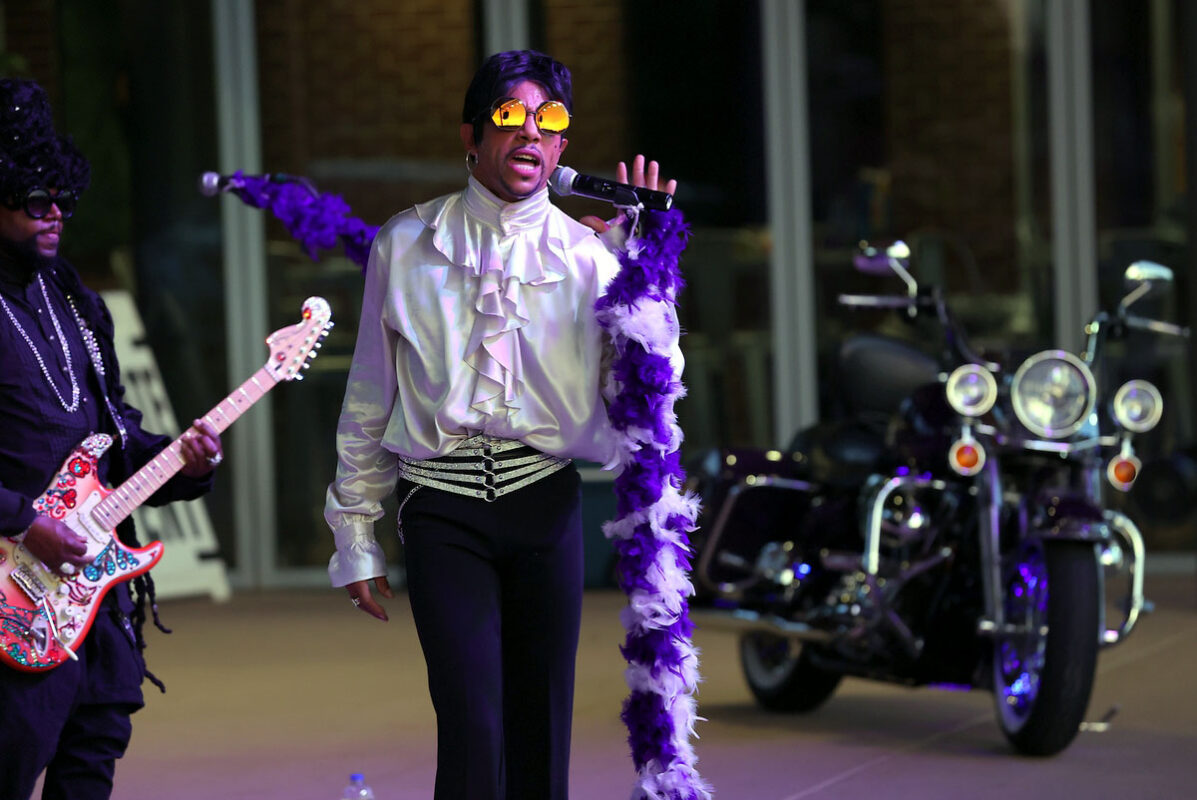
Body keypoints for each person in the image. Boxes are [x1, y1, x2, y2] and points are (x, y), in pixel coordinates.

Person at [324, 50, 676, 799]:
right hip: (440, 508)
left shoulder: (590, 256)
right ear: (472, 136)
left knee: (541, 733)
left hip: (544, 503)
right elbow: (368, 398)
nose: (529, 135)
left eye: (548, 122)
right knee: (474, 729)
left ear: (560, 149)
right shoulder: (406, 245)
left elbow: (651, 386)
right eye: (509, 117)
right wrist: (355, 532)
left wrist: (646, 267)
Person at [0, 77, 224, 800]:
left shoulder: (72, 300)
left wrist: (179, 462)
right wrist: (23, 522)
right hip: (13, 584)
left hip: (93, 598)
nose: (57, 213)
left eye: (63, 197)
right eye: (37, 201)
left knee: (93, 750)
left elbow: (113, 431)